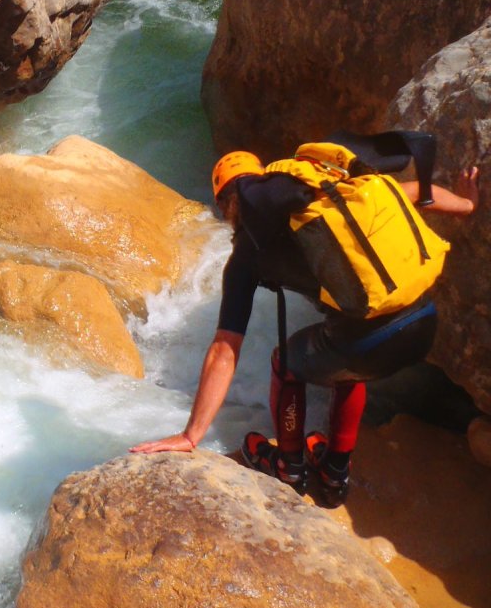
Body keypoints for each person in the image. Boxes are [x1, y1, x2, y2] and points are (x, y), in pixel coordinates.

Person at [130, 148, 480, 505]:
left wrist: (191, 435)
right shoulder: (327, 198)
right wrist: (467, 206)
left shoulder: (245, 259)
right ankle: (334, 473)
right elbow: (412, 191)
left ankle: (290, 466)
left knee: (288, 363)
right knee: (345, 359)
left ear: (224, 206)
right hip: (424, 320)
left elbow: (224, 349)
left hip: (370, 343)